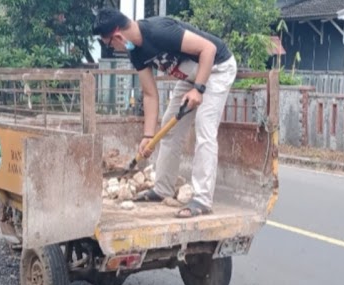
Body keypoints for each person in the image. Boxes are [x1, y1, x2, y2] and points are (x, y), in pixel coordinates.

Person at [92, 8, 237, 218]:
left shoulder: (158, 31)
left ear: (117, 36)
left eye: (108, 43)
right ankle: (162, 189)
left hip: (216, 69)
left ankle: (202, 200)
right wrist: (148, 136)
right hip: (190, 78)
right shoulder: (136, 52)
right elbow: (150, 94)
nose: (110, 47)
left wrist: (199, 89)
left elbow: (208, 49)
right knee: (170, 128)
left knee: (204, 129)